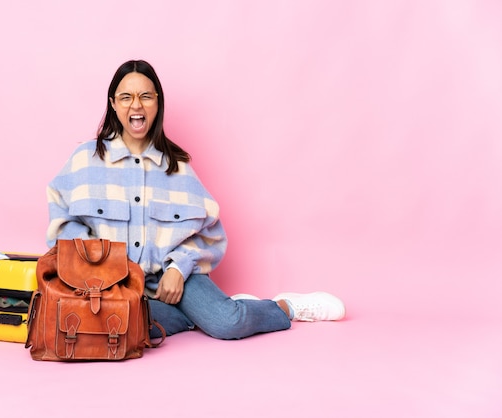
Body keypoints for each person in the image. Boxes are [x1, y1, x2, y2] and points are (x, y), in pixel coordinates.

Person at [45, 59, 345, 340]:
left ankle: (283, 307)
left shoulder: (177, 167)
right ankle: (208, 311)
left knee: (228, 324)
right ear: (113, 104)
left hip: (172, 280)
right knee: (123, 327)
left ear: (157, 102)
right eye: (125, 97)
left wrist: (177, 268)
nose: (136, 105)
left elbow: (210, 231)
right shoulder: (85, 159)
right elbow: (62, 220)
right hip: (111, 287)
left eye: (146, 96)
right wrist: (97, 268)